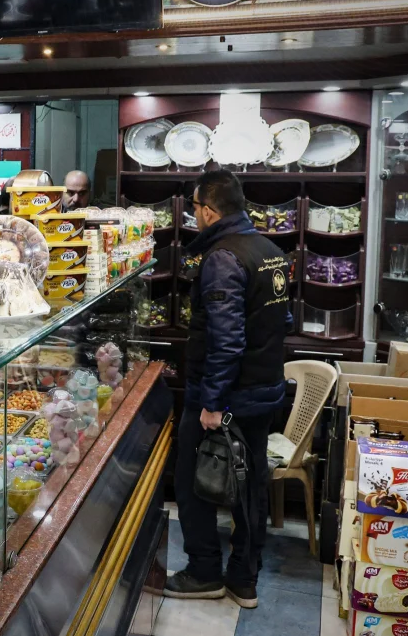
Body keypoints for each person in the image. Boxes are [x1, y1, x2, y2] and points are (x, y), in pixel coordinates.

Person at [163, 170, 291, 609]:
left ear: (208, 211)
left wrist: (213, 403)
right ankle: (244, 579)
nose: (195, 214)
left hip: (225, 397)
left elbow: (226, 340)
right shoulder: (270, 251)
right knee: (250, 485)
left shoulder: (223, 258)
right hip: (262, 391)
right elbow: (281, 322)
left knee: (192, 481)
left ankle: (204, 572)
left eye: (195, 207)